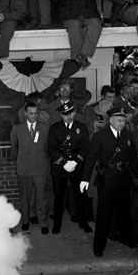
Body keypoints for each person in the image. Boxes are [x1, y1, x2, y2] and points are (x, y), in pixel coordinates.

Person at [80, 106, 138, 257]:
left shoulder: (128, 135)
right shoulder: (101, 136)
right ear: (110, 120)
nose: (122, 123)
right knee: (103, 214)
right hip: (107, 180)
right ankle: (99, 245)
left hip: (124, 179)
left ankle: (126, 238)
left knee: (125, 211)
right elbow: (91, 158)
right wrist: (85, 179)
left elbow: (132, 160)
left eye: (124, 120)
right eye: (119, 120)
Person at [47, 100, 92, 235]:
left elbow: (85, 148)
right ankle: (57, 224)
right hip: (60, 168)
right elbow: (52, 149)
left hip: (77, 167)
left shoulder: (81, 127)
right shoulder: (54, 128)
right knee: (59, 197)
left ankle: (83, 223)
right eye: (65, 114)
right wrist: (64, 163)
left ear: (74, 112)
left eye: (71, 112)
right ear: (61, 115)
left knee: (80, 196)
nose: (69, 116)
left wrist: (75, 162)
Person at [10, 101, 50, 233]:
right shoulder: (17, 129)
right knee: (25, 197)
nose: (33, 116)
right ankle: (25, 221)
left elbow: (47, 147)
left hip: (40, 168)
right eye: (31, 113)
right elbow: (14, 149)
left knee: (41, 196)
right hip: (24, 168)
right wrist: (22, 158)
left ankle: (43, 222)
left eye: (36, 113)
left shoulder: (44, 128)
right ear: (25, 113)